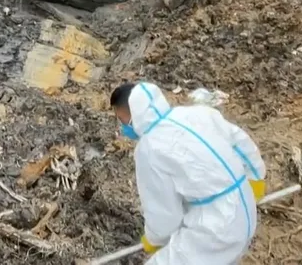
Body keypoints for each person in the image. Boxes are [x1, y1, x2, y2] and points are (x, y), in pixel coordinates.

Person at [110, 81, 266, 264]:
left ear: (133, 115)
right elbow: (241, 143)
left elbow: (165, 215)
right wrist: (255, 178)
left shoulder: (149, 148)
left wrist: (154, 239)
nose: (123, 128)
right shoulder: (196, 113)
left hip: (216, 229)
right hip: (246, 209)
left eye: (122, 120)